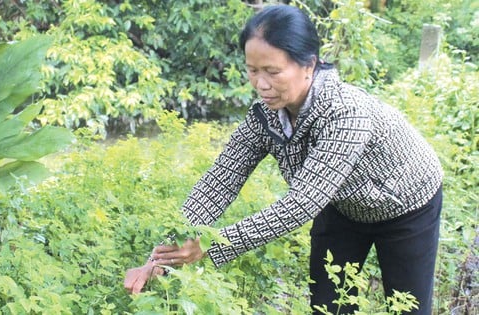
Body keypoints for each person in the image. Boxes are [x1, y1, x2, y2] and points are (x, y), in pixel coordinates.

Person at [124, 5, 443, 315]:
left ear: (309, 65)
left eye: (273, 72)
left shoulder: (346, 111)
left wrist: (211, 245)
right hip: (341, 205)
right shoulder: (264, 116)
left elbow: (301, 203)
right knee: (328, 306)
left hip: (406, 204)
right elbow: (219, 182)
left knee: (408, 306)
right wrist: (159, 257)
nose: (261, 84)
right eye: (252, 70)